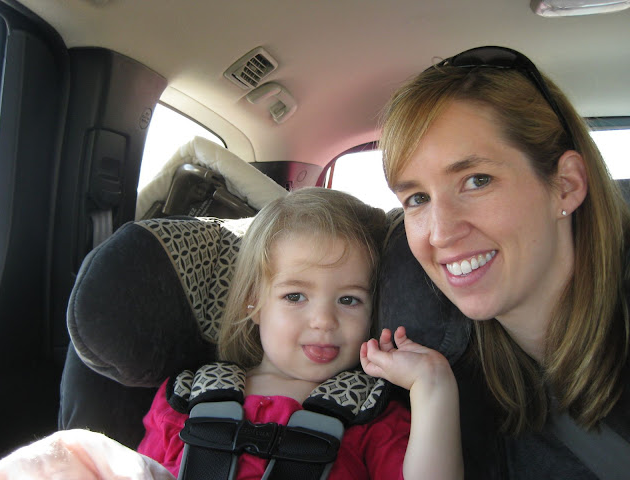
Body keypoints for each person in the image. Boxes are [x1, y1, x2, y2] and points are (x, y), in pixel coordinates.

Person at [380, 45, 630, 479]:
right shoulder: (456, 375)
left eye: (477, 181)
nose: (441, 233)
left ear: (566, 185)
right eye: (417, 198)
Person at [137, 187, 463, 480]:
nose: (324, 321)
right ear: (254, 302)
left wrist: (431, 385)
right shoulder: (185, 397)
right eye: (295, 296)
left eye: (349, 300)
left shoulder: (371, 414)